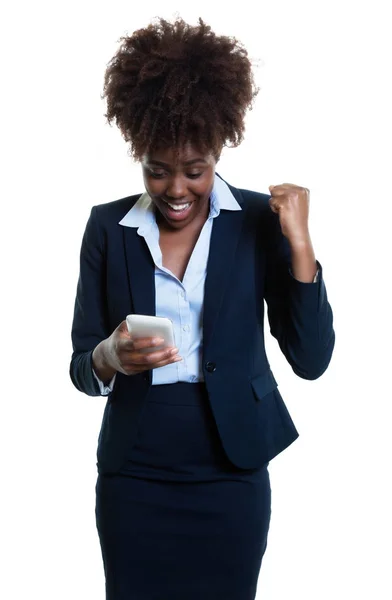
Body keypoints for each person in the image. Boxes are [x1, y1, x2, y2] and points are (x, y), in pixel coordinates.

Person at [69, 15, 335, 600]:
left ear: (220, 146)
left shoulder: (261, 224)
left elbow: (312, 359)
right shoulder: (107, 229)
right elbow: (82, 368)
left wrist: (300, 244)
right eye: (157, 171)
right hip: (134, 474)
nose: (177, 190)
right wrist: (111, 355)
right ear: (138, 150)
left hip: (231, 471)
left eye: (196, 171)